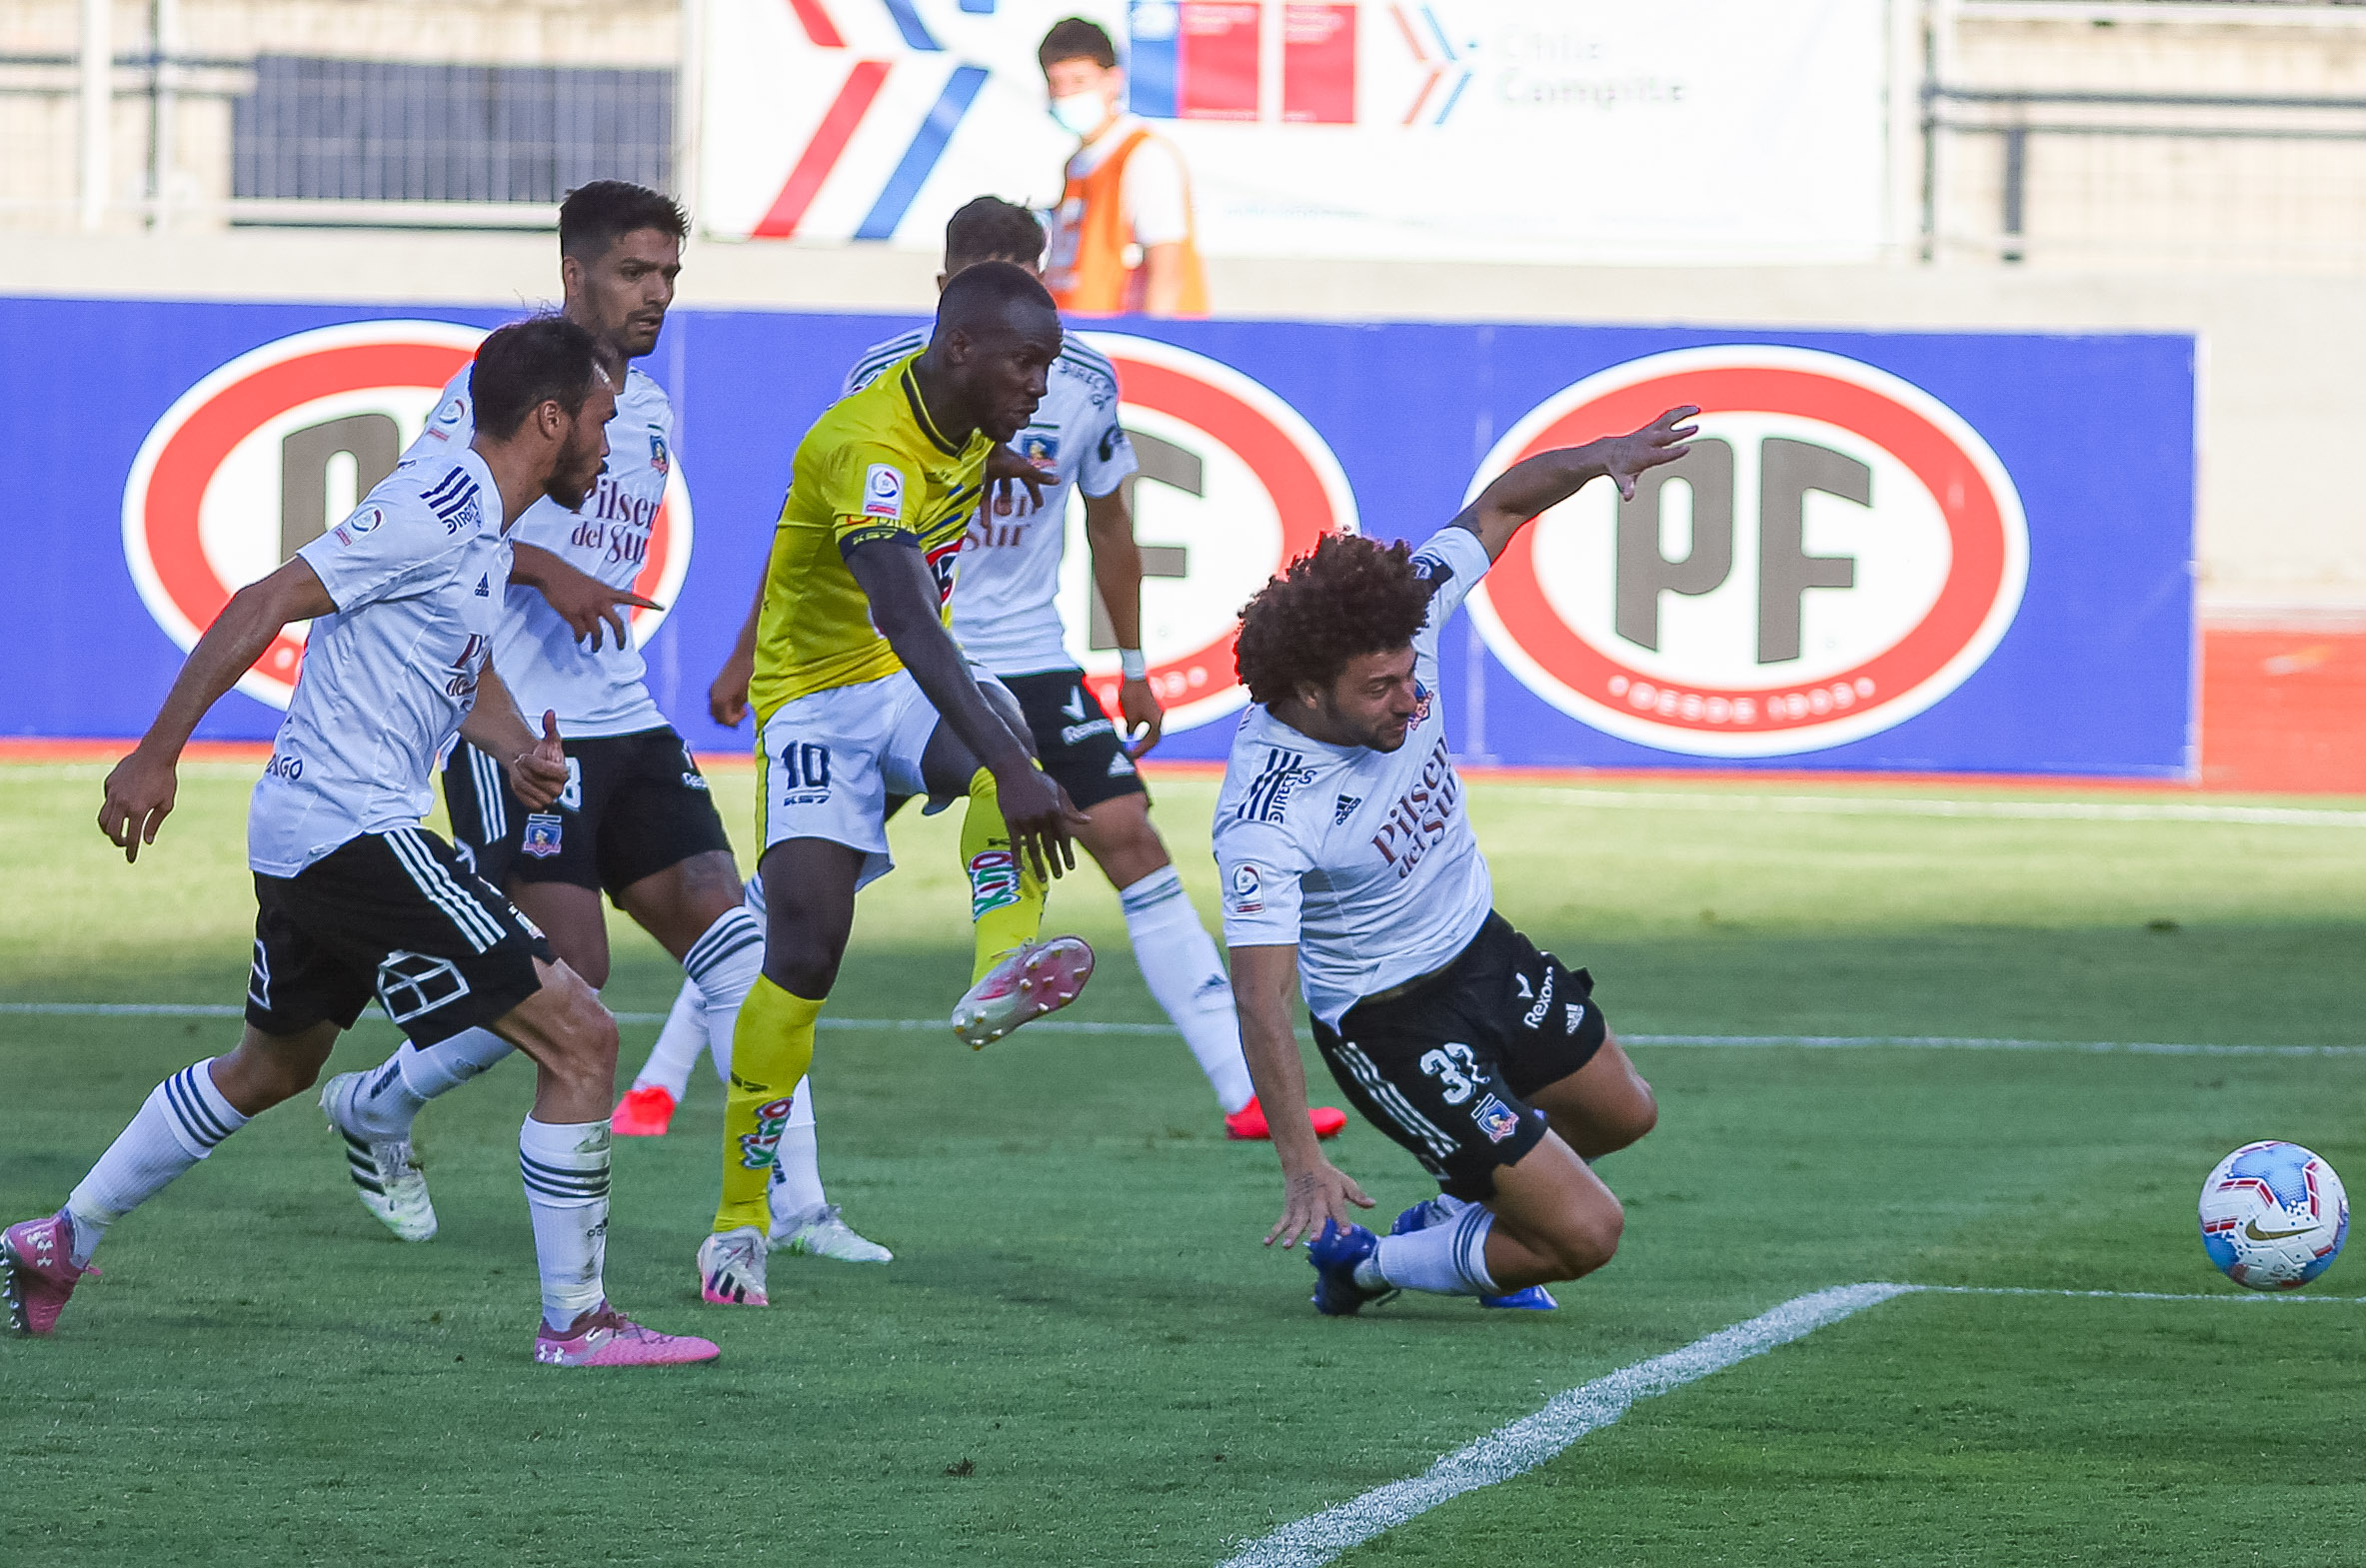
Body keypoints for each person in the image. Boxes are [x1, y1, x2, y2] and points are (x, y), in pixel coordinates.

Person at [1, 318, 717, 1367]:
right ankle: (578, 1321)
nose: (609, 449)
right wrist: (155, 754)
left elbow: (455, 673)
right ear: (550, 419)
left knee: (269, 1067)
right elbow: (265, 598)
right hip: (352, 829)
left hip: (312, 832)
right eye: (601, 423)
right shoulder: (434, 504)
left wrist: (519, 750)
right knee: (584, 1034)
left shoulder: (479, 526)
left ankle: (58, 1236)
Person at [626, 196, 1343, 1143]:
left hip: (1027, 654)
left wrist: (1131, 663)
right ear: (947, 304)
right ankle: (661, 1081)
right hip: (895, 661)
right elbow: (824, 531)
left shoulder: (1082, 380)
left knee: (1126, 835)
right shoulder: (884, 382)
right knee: (800, 894)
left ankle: (1236, 1084)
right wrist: (747, 648)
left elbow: (1111, 520)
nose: (1031, 376)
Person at [314, 182, 890, 1268]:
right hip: (513, 726)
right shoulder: (491, 393)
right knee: (571, 972)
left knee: (735, 942)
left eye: (669, 274)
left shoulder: (650, 409)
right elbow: (422, 520)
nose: (655, 294)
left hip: (621, 714)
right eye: (634, 272)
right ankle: (378, 1101)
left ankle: (798, 1205)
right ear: (574, 272)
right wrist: (551, 570)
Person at [1212, 404, 1700, 1316]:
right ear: (1310, 691)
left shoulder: (1403, 617)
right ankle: (1363, 1267)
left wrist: (1600, 459)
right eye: (1383, 689)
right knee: (1585, 1233)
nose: (1415, 697)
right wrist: (1300, 1157)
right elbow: (1260, 996)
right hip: (1392, 1020)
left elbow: (1503, 507)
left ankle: (1455, 1214)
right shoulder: (1267, 811)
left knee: (1625, 1112)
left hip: (1481, 948)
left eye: (1410, 671)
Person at [694, 263, 1089, 1308]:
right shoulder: (864, 446)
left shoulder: (959, 422)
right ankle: (740, 1220)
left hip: (891, 690)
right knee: (804, 952)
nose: (1042, 386)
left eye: (1047, 365)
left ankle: (1001, 963)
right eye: (1026, 363)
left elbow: (945, 480)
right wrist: (1012, 766)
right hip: (816, 702)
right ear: (959, 347)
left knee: (1007, 732)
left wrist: (990, 455)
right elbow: (905, 620)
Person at [1039, 17, 1207, 319]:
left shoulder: (1142, 156)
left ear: (1112, 81)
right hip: (1085, 337)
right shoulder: (1076, 165)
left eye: (1078, 81)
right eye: (1056, 82)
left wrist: (1150, 345)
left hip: (1128, 342)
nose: (1065, 94)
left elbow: (1167, 269)